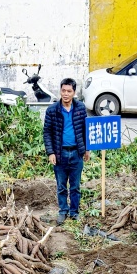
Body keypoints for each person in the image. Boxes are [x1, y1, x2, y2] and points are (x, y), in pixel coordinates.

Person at [43, 78, 89, 224]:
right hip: (60, 154)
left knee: (75, 186)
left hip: (76, 153)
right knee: (61, 186)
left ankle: (74, 212)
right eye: (63, 90)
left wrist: (86, 149)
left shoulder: (80, 108)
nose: (66, 94)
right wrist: (50, 152)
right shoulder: (52, 110)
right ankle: (63, 211)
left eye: (69, 91)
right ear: (60, 91)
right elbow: (47, 132)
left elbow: (85, 129)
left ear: (74, 92)